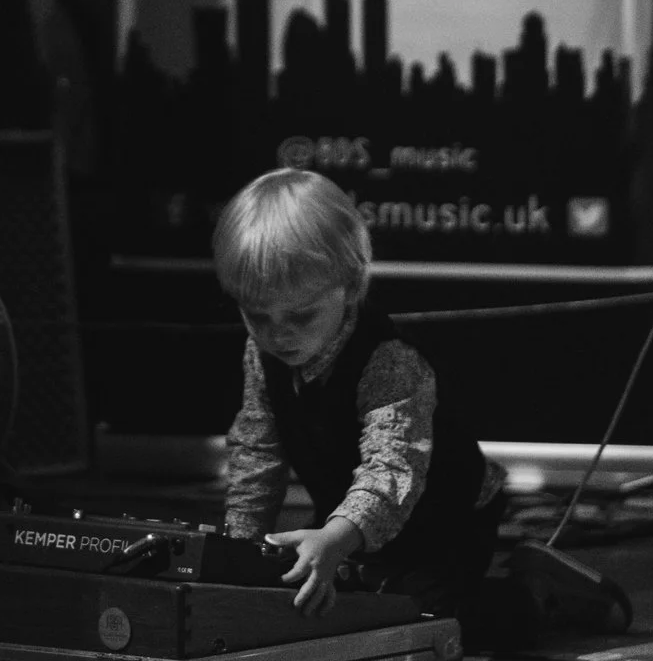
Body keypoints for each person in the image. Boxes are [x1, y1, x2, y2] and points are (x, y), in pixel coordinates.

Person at [215, 169, 512, 625]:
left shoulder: (388, 359)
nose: (278, 333)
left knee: (420, 619)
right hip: (347, 515)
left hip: (445, 520)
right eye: (257, 316)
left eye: (300, 314)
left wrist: (336, 537)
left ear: (350, 286)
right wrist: (238, 551)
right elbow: (257, 451)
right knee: (321, 605)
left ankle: (534, 597)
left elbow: (392, 467)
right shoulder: (262, 352)